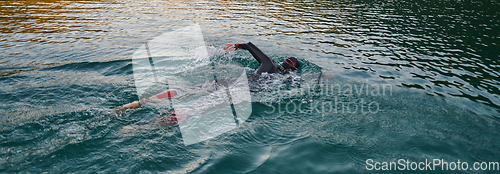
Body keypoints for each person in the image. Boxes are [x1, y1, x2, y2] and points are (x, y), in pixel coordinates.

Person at [116, 42, 303, 129]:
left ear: (282, 62)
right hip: (235, 93)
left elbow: (250, 46)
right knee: (195, 108)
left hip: (225, 83)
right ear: (292, 71)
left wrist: (237, 46)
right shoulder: (286, 81)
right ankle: (143, 128)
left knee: (183, 91)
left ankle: (135, 104)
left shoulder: (269, 65)